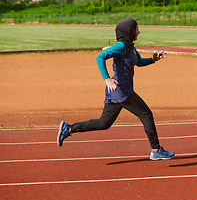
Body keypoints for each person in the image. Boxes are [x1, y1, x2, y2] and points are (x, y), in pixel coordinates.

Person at [57, 18, 175, 160]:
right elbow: (100, 57)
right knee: (146, 114)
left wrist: (153, 59)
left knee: (104, 123)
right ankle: (156, 150)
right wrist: (107, 79)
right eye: (137, 29)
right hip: (121, 90)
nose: (139, 32)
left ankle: (69, 128)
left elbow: (139, 63)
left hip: (117, 91)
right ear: (129, 31)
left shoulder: (131, 47)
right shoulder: (121, 46)